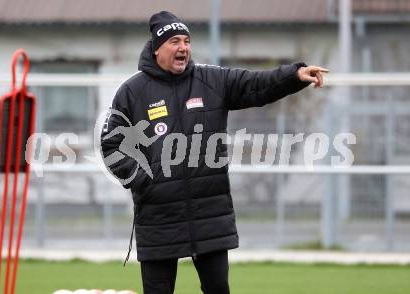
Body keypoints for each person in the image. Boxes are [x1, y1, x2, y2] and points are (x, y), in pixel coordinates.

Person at [100, 11, 328, 294]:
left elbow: (257, 84)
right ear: (157, 48)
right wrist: (143, 179)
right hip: (159, 216)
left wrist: (294, 76)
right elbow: (111, 144)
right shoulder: (132, 91)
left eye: (186, 41)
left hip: (209, 214)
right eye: (174, 41)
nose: (183, 47)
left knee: (218, 289)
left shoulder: (212, 80)